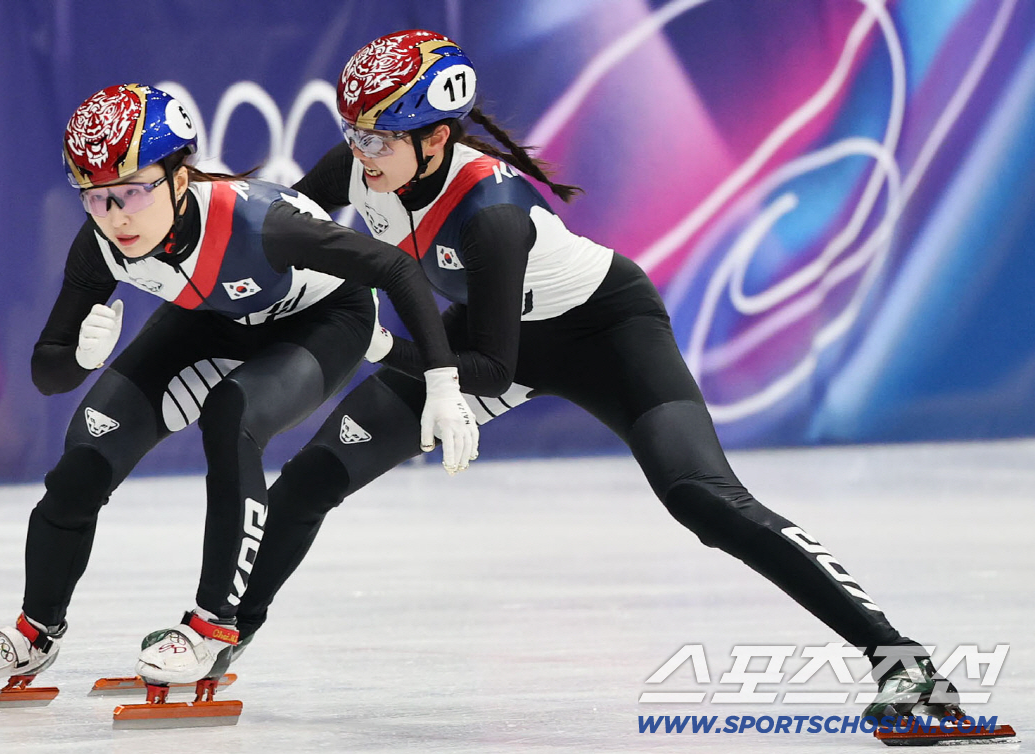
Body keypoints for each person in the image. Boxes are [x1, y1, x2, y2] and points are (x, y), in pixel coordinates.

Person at [231, 30, 963, 723]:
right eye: (353, 133)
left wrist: (378, 344)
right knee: (310, 478)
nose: (361, 153)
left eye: (378, 139)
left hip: (604, 335)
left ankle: (904, 663)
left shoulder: (491, 214)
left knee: (704, 499)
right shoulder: (363, 165)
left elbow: (491, 370)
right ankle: (222, 635)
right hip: (489, 332)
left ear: (437, 138)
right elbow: (272, 232)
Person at [0, 82, 478, 694]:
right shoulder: (100, 244)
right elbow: (49, 372)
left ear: (179, 179)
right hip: (215, 318)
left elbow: (396, 268)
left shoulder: (259, 224)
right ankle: (34, 633)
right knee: (85, 456)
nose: (117, 216)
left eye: (133, 191)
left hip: (325, 320)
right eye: (96, 197)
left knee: (232, 416)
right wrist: (82, 358)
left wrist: (442, 384)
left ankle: (212, 625)